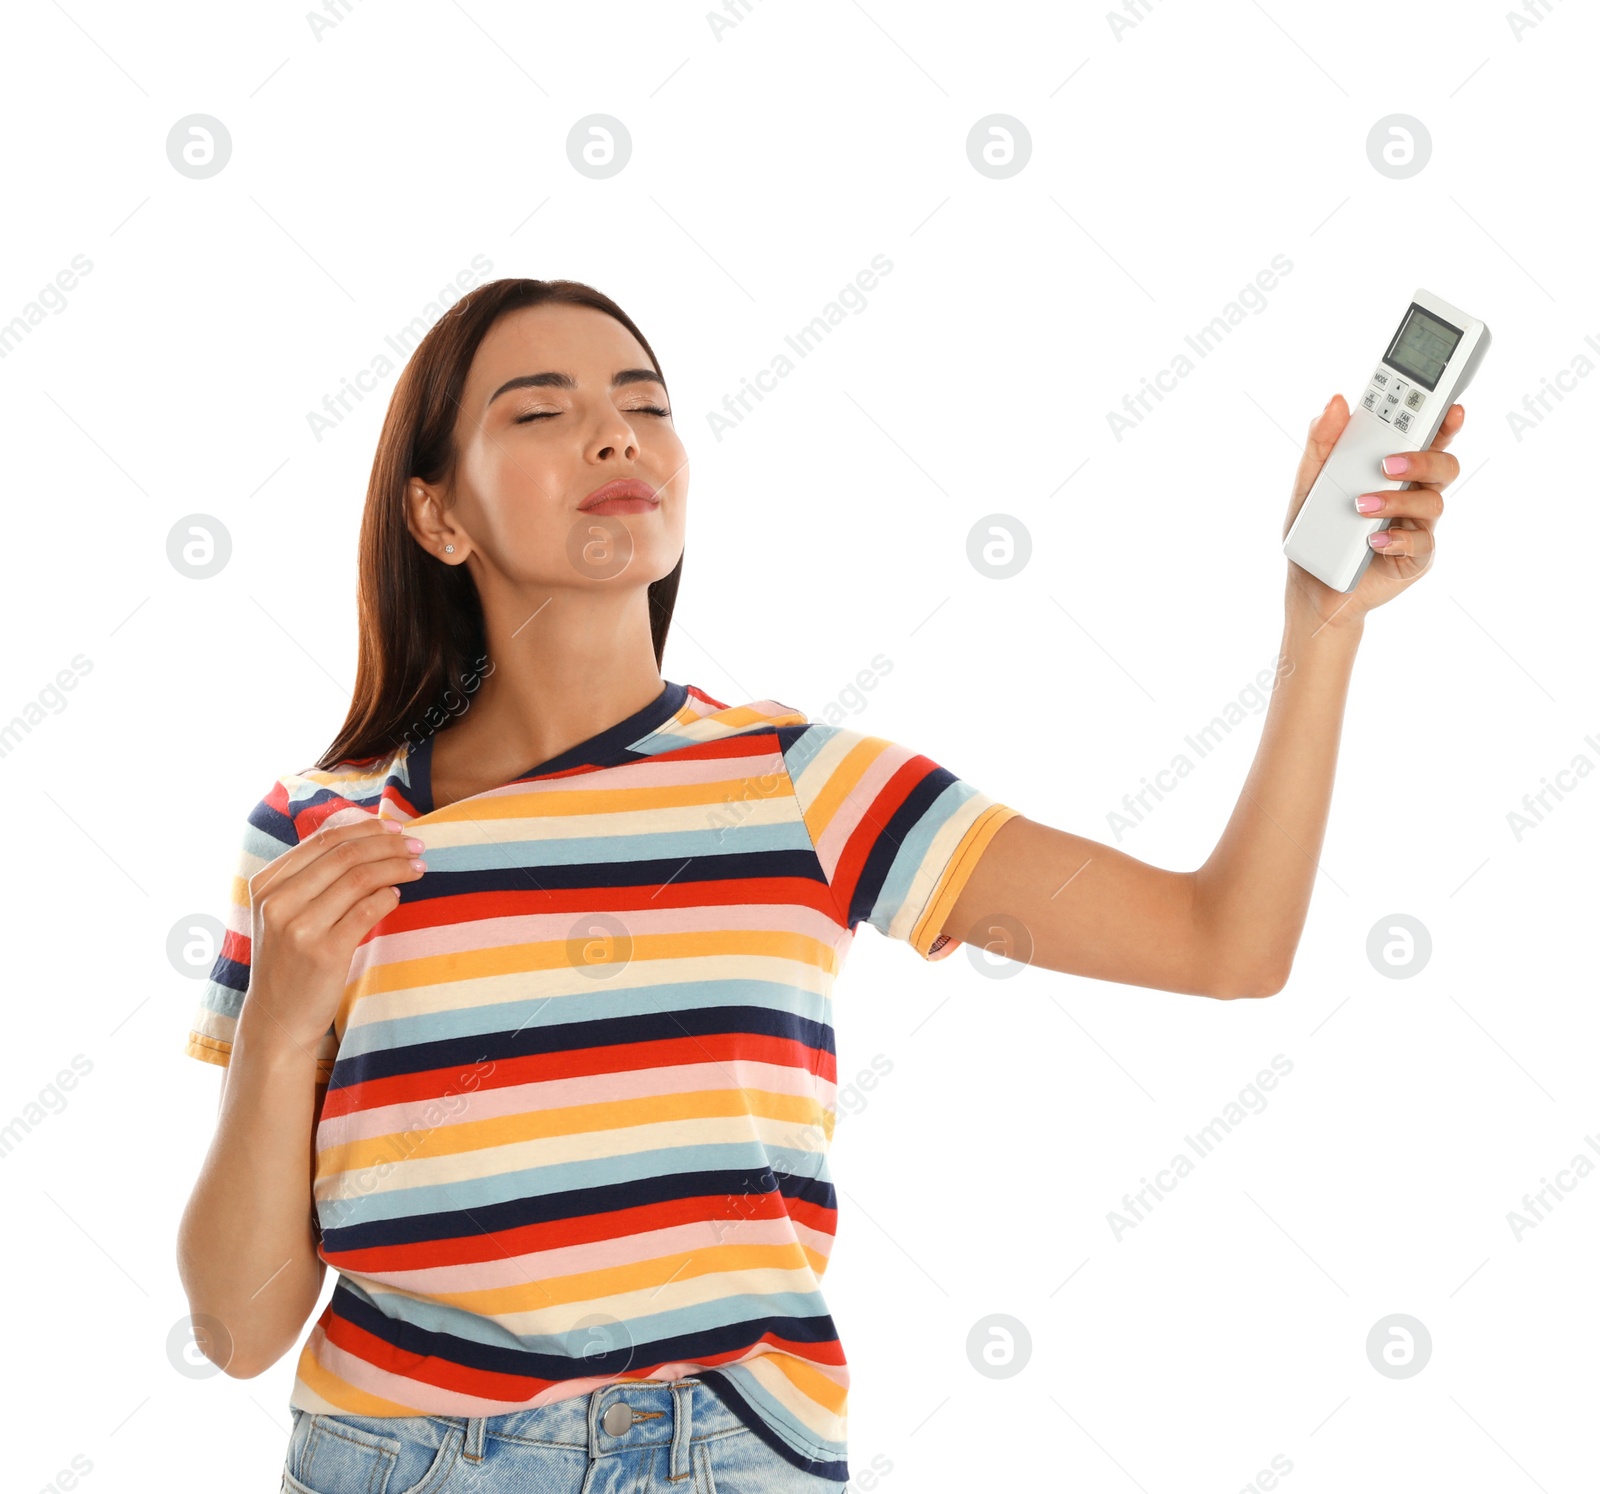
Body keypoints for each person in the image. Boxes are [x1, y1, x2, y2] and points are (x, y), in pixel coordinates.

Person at [175, 278, 1465, 1492]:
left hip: (717, 1450)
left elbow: (1222, 942)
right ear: (436, 515)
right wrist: (281, 1026)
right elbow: (237, 1331)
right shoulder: (315, 834)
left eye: (643, 403)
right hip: (393, 1457)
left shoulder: (800, 785)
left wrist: (1320, 629)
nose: (616, 437)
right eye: (543, 411)